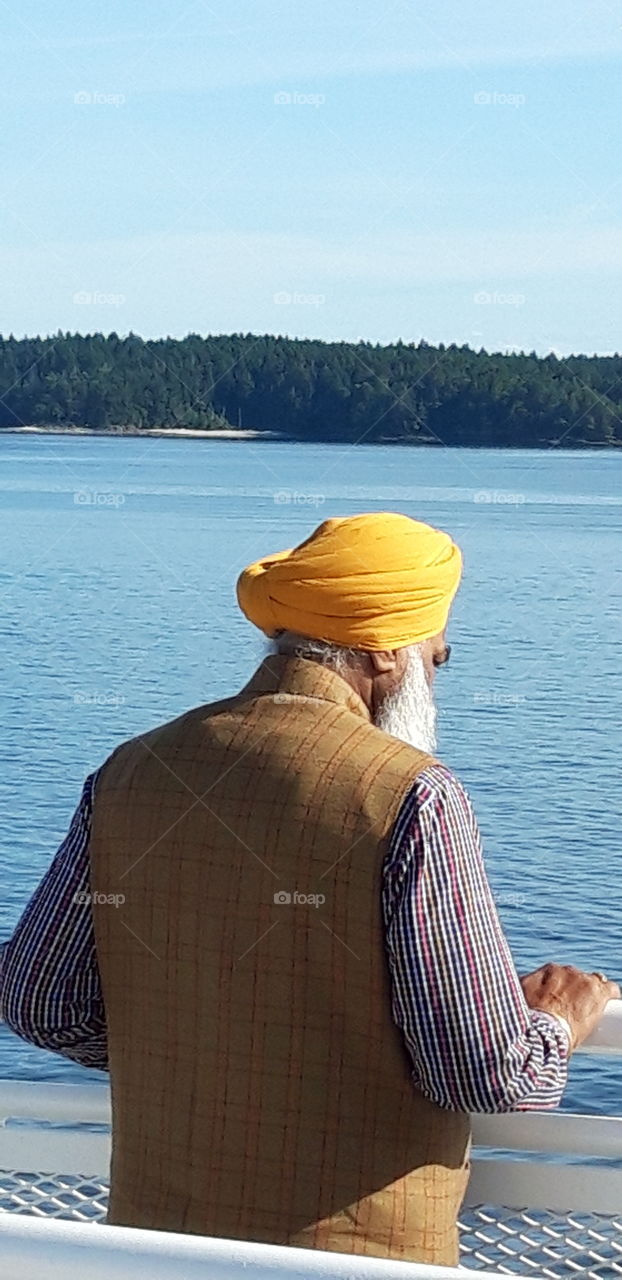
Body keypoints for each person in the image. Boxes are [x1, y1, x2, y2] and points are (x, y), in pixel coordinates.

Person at [0, 511, 617, 1268]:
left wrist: (198, 1047)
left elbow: (39, 1003)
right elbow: (482, 1071)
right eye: (436, 651)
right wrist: (558, 1021)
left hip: (151, 1248)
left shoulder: (131, 770)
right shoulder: (414, 796)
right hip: (353, 1259)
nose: (441, 658)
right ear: (387, 652)